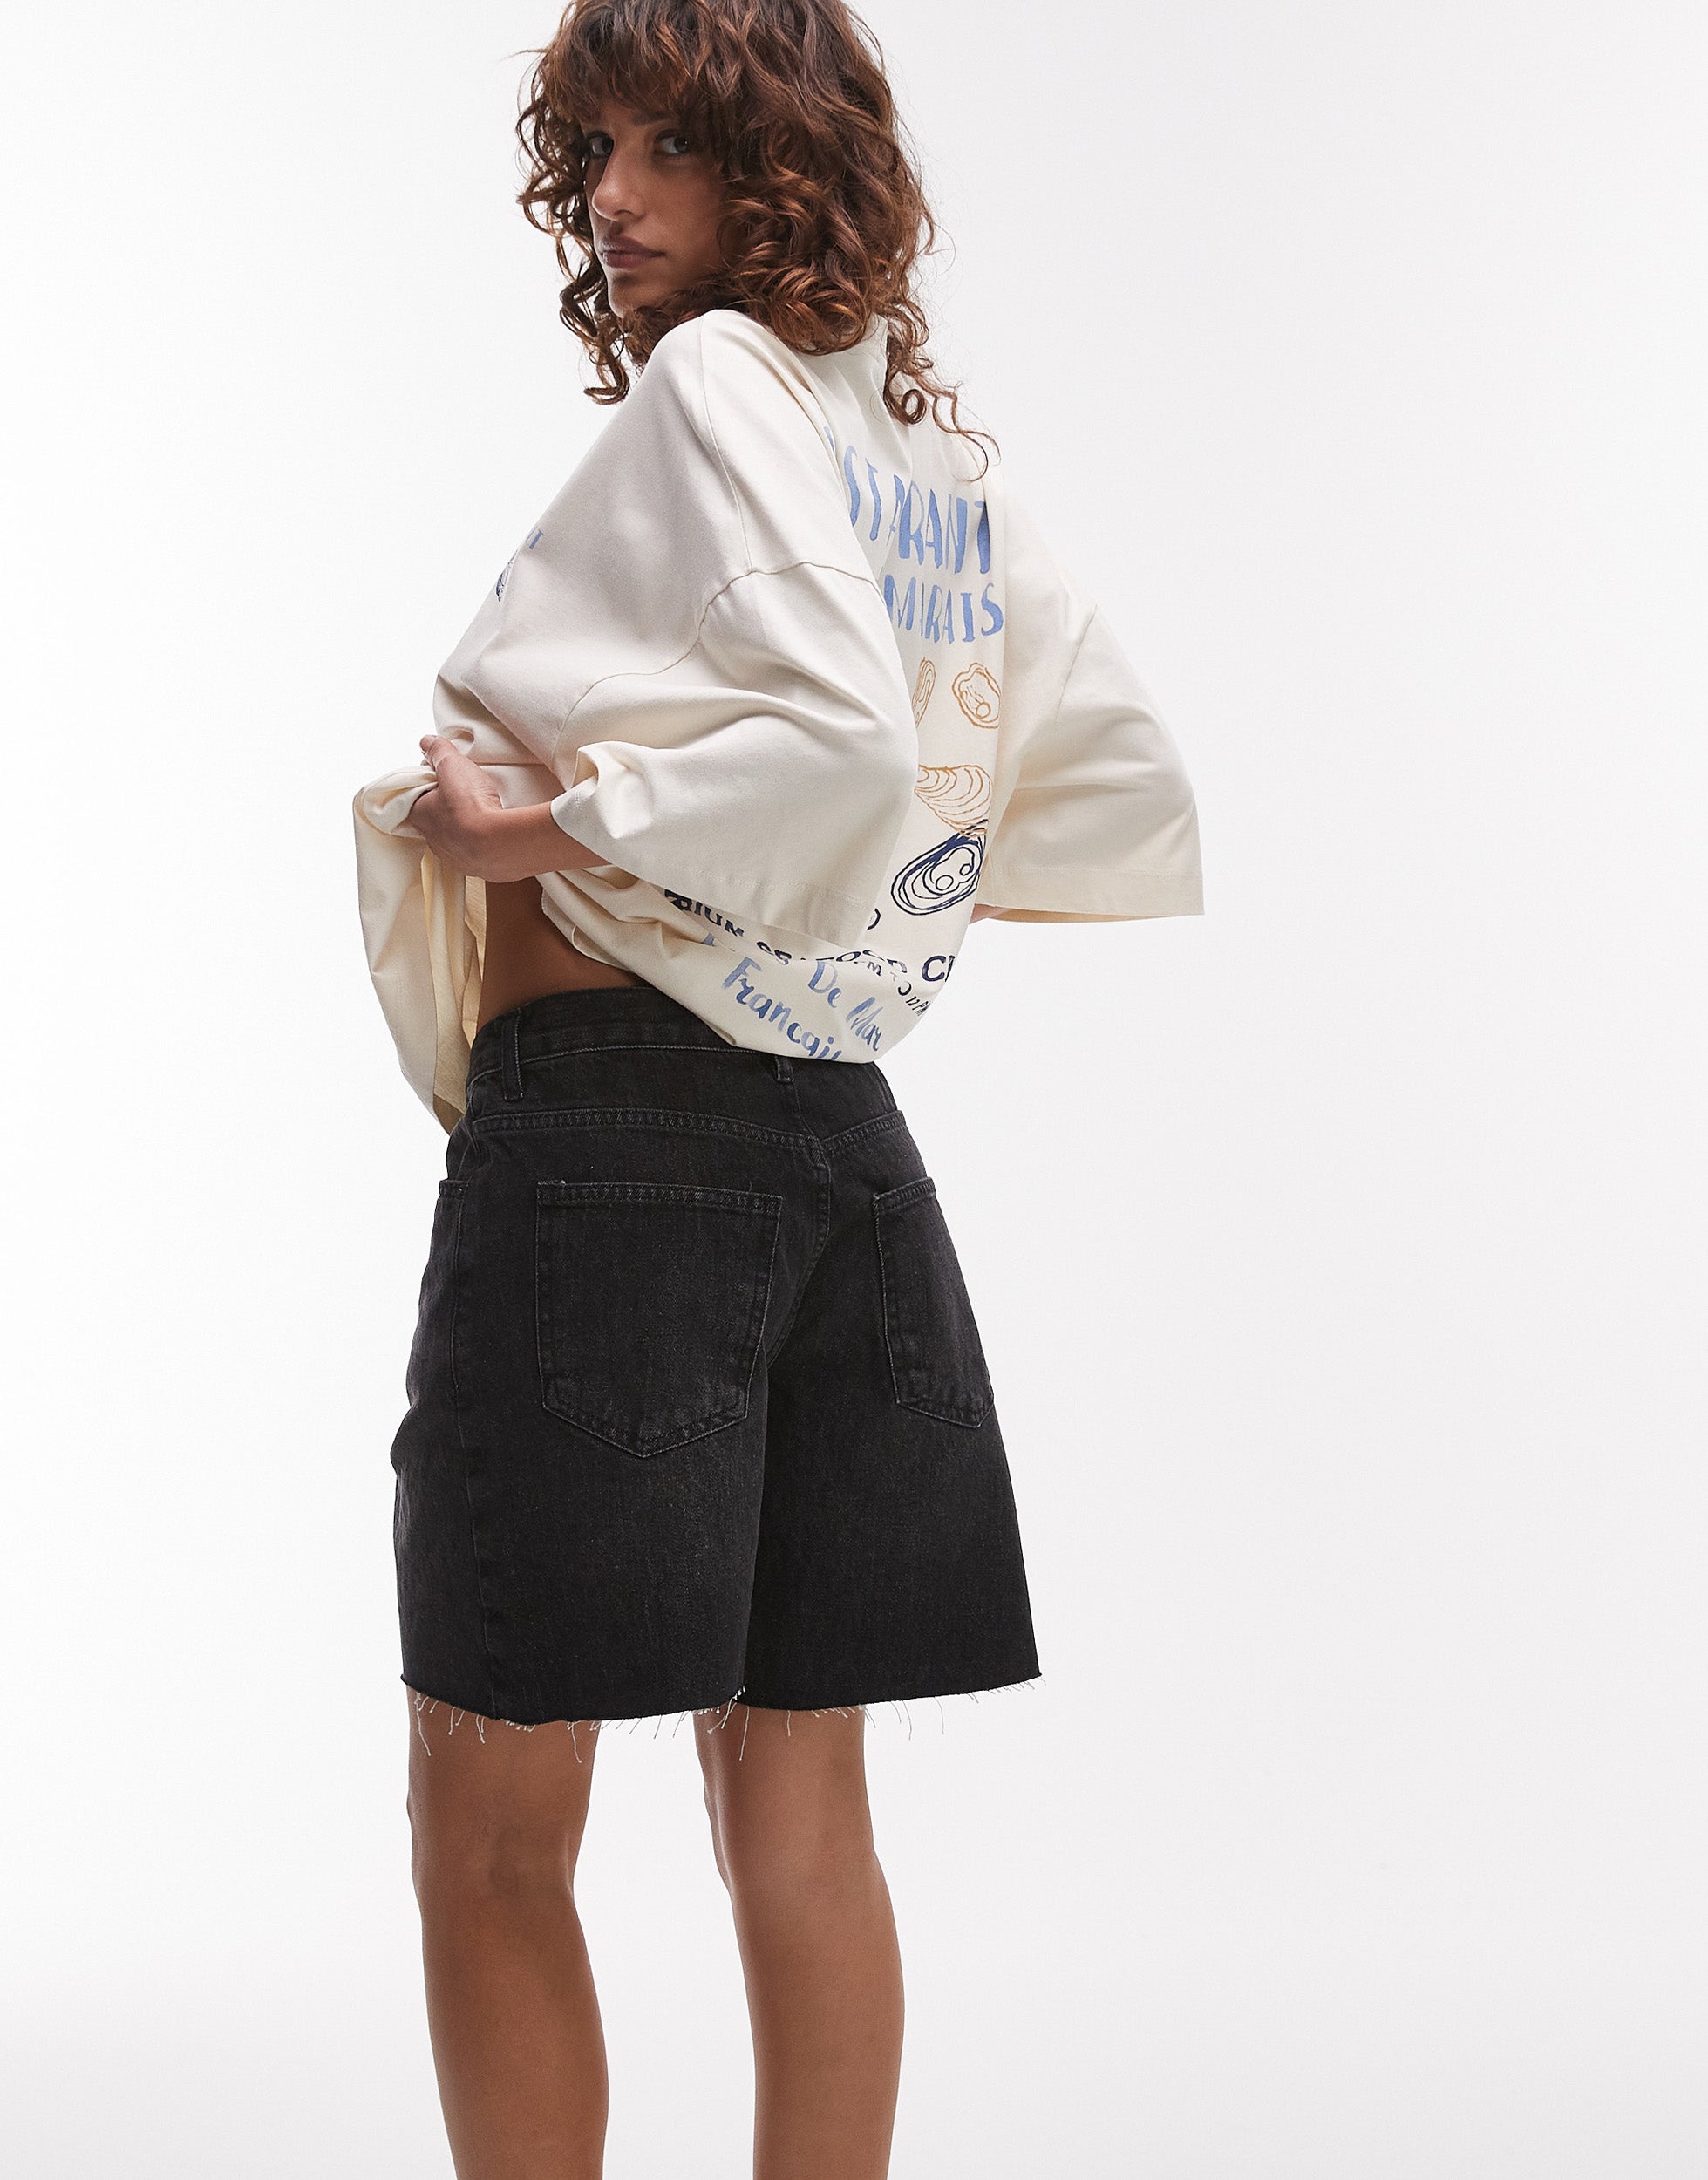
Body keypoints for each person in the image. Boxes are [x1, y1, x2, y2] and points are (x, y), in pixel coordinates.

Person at [350, 3, 1202, 2173]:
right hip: (837, 1147)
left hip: (613, 1139)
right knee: (799, 1809)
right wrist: (845, 887)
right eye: (595, 151)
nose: (612, 200)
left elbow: (832, 742)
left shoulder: (719, 379)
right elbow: (1082, 772)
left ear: (783, 166)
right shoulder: (920, 458)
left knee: (487, 1805)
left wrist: (536, 829)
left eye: (669, 149)